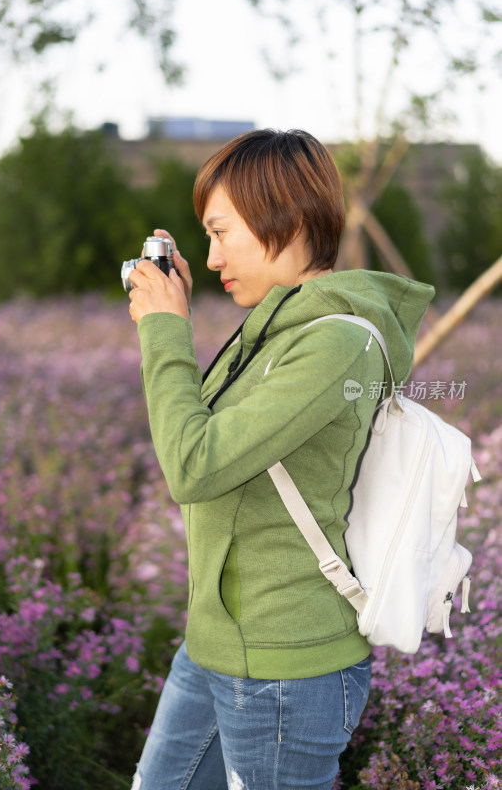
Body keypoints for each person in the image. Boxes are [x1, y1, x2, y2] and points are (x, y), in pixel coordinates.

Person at [127, 129, 435, 790]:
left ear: (287, 220)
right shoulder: (276, 325)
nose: (210, 259)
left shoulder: (334, 344)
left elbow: (194, 465)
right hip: (215, 646)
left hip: (285, 670)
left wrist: (164, 328)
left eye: (220, 232)